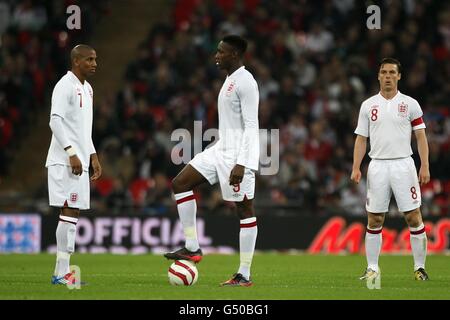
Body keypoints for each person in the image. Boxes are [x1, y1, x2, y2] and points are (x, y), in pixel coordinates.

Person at [164, 35, 260, 287]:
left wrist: (243, 163)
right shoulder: (230, 80)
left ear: (235, 55)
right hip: (220, 149)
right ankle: (192, 247)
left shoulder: (246, 82)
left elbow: (252, 125)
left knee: (244, 210)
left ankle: (244, 274)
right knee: (180, 183)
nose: (216, 56)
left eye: (221, 52)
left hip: (238, 154)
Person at [351, 58, 430, 281]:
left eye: (391, 72)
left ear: (399, 76)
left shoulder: (410, 104)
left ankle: (420, 267)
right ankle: (373, 268)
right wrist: (356, 166)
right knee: (374, 219)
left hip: (404, 164)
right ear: (378, 76)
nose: (387, 76)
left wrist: (424, 165)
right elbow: (361, 139)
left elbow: (421, 136)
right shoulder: (368, 105)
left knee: (413, 216)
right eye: (383, 72)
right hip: (377, 166)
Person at [45, 44, 102, 285]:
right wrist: (71, 152)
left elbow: (83, 129)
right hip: (64, 160)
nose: (94, 63)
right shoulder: (64, 85)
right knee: (69, 210)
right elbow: (55, 121)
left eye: (95, 59)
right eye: (89, 59)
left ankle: (62, 272)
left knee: (72, 212)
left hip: (79, 160)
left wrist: (93, 154)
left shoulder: (87, 89)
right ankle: (61, 273)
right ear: (76, 61)